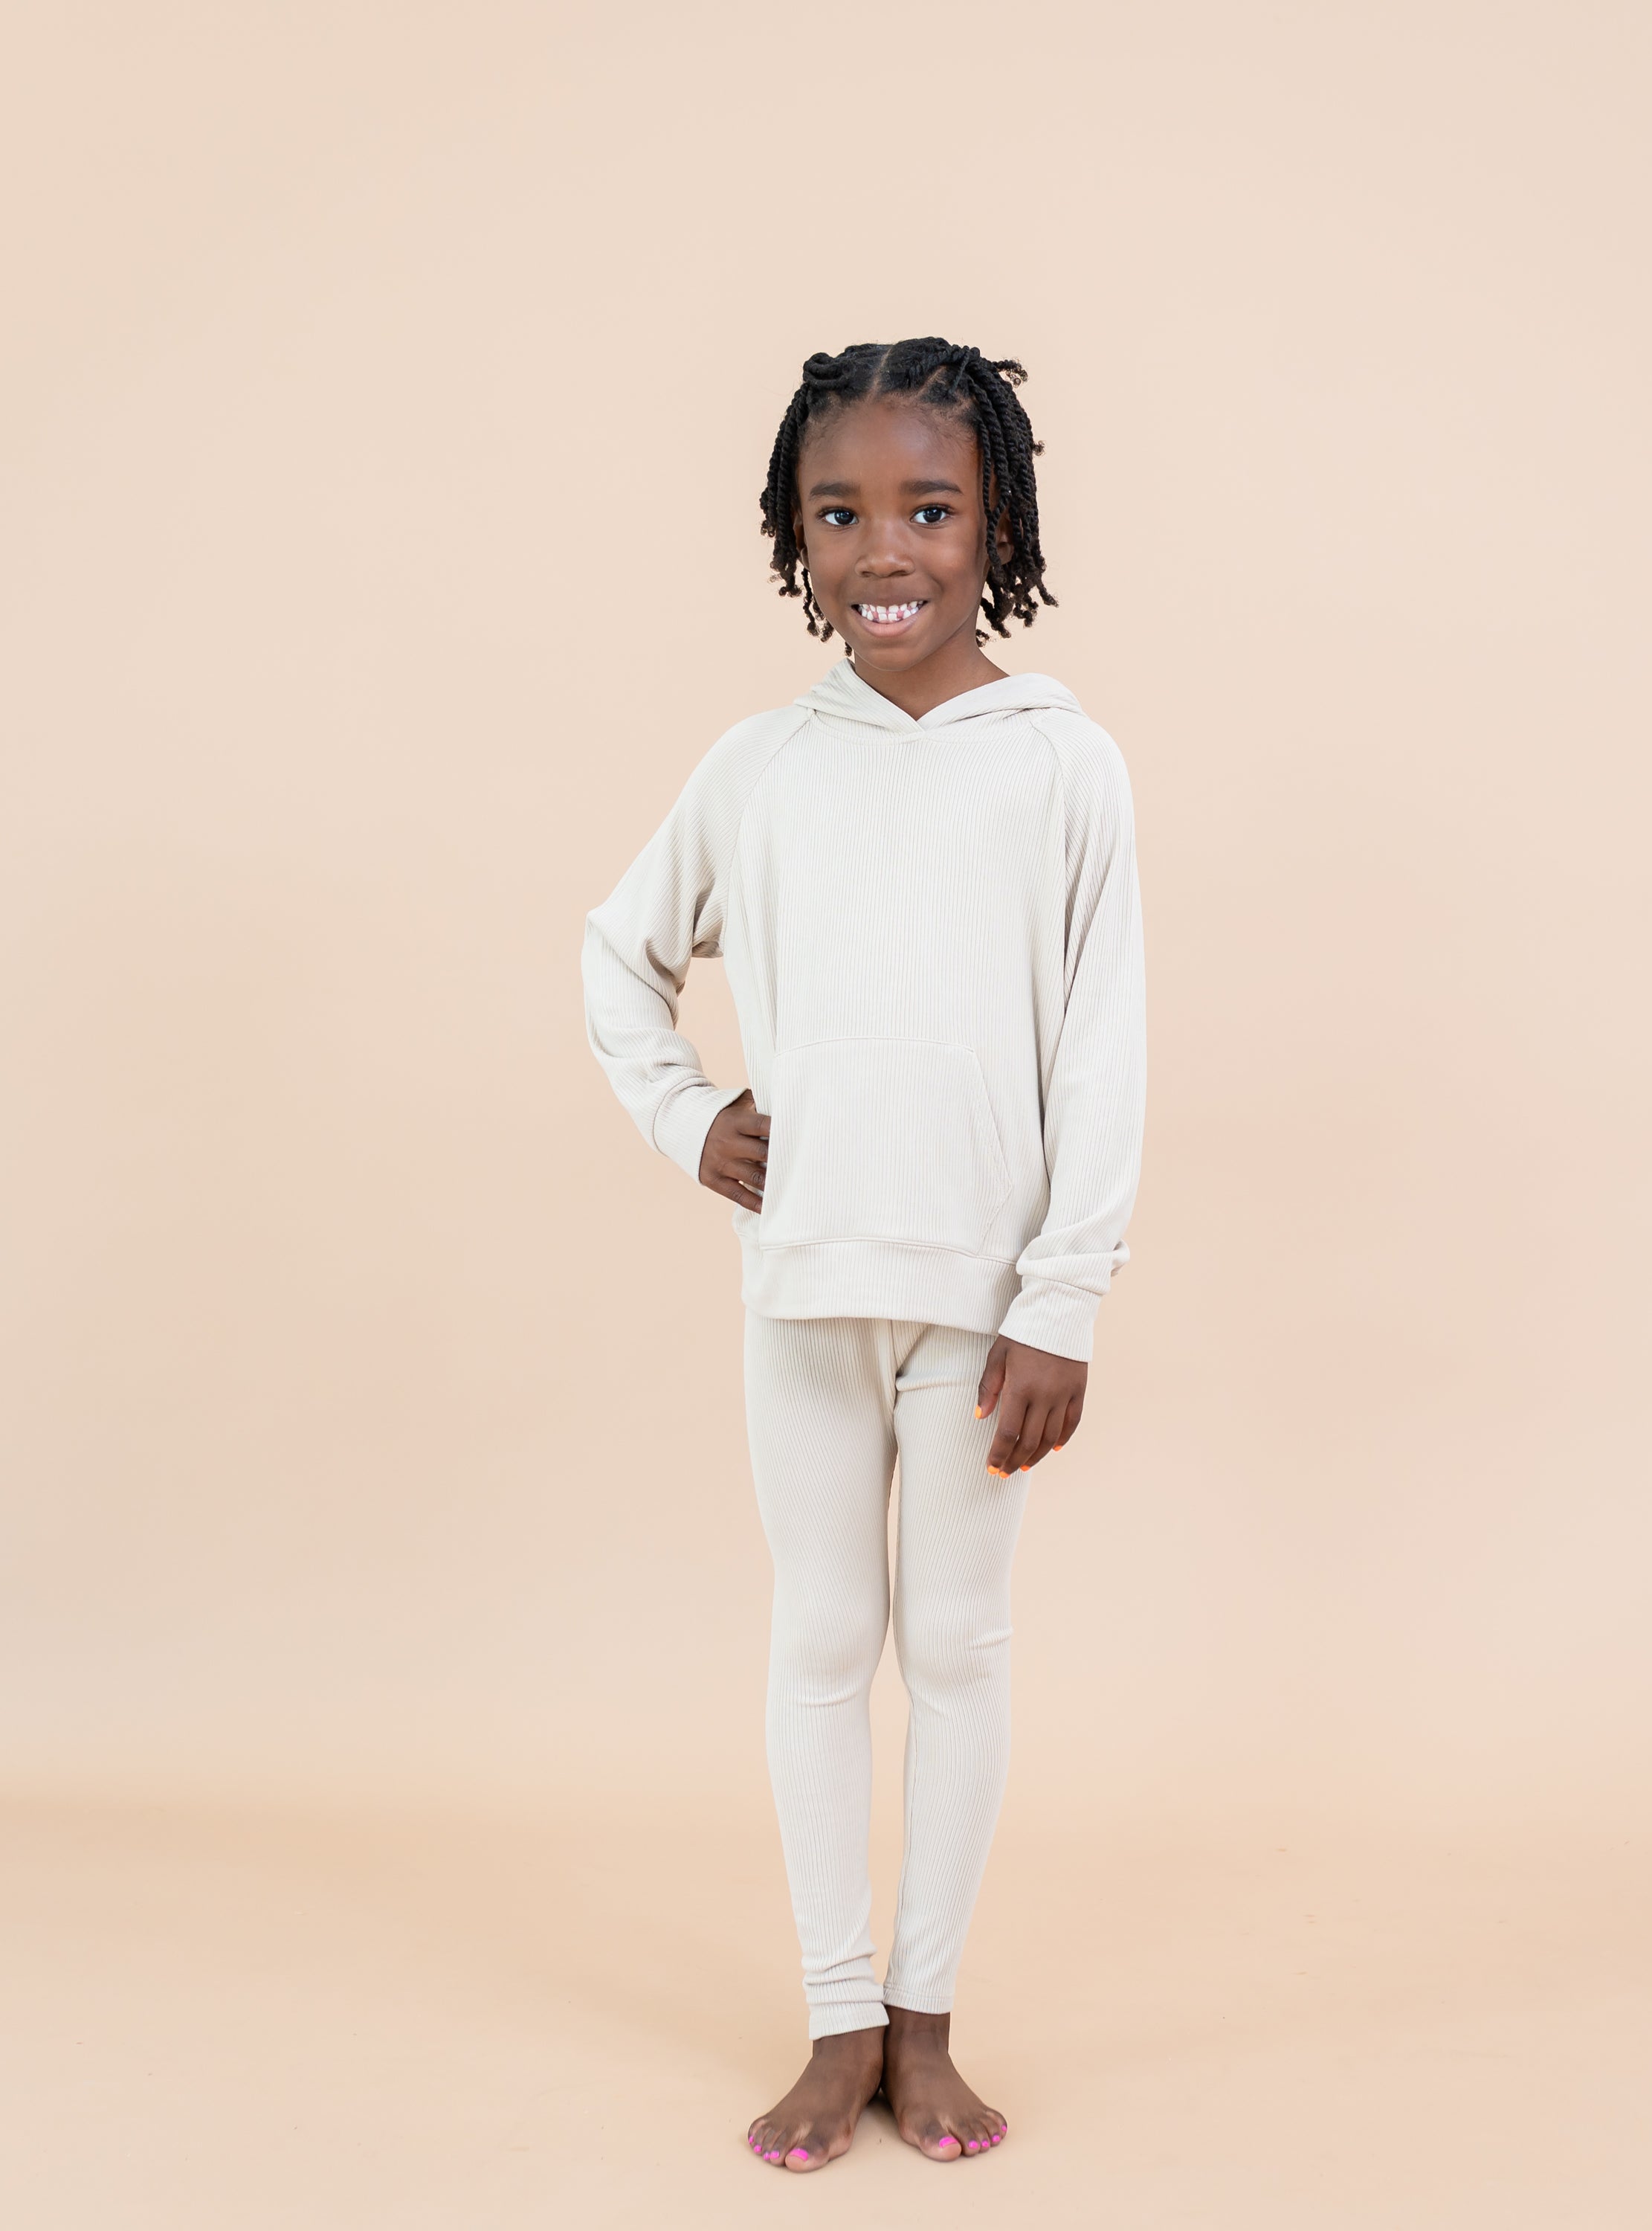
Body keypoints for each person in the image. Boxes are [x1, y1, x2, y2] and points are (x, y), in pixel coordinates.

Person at [581, 337, 1146, 2171]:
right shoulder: (760, 771)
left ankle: (927, 2023)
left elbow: (1103, 1045)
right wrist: (689, 1118)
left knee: (959, 1648)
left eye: (928, 507)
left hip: (983, 1317)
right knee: (825, 1640)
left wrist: (1063, 1298)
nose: (883, 548)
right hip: (805, 1298)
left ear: (998, 526)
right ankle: (836, 2020)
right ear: (793, 536)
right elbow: (620, 958)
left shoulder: (1061, 766)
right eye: (841, 513)